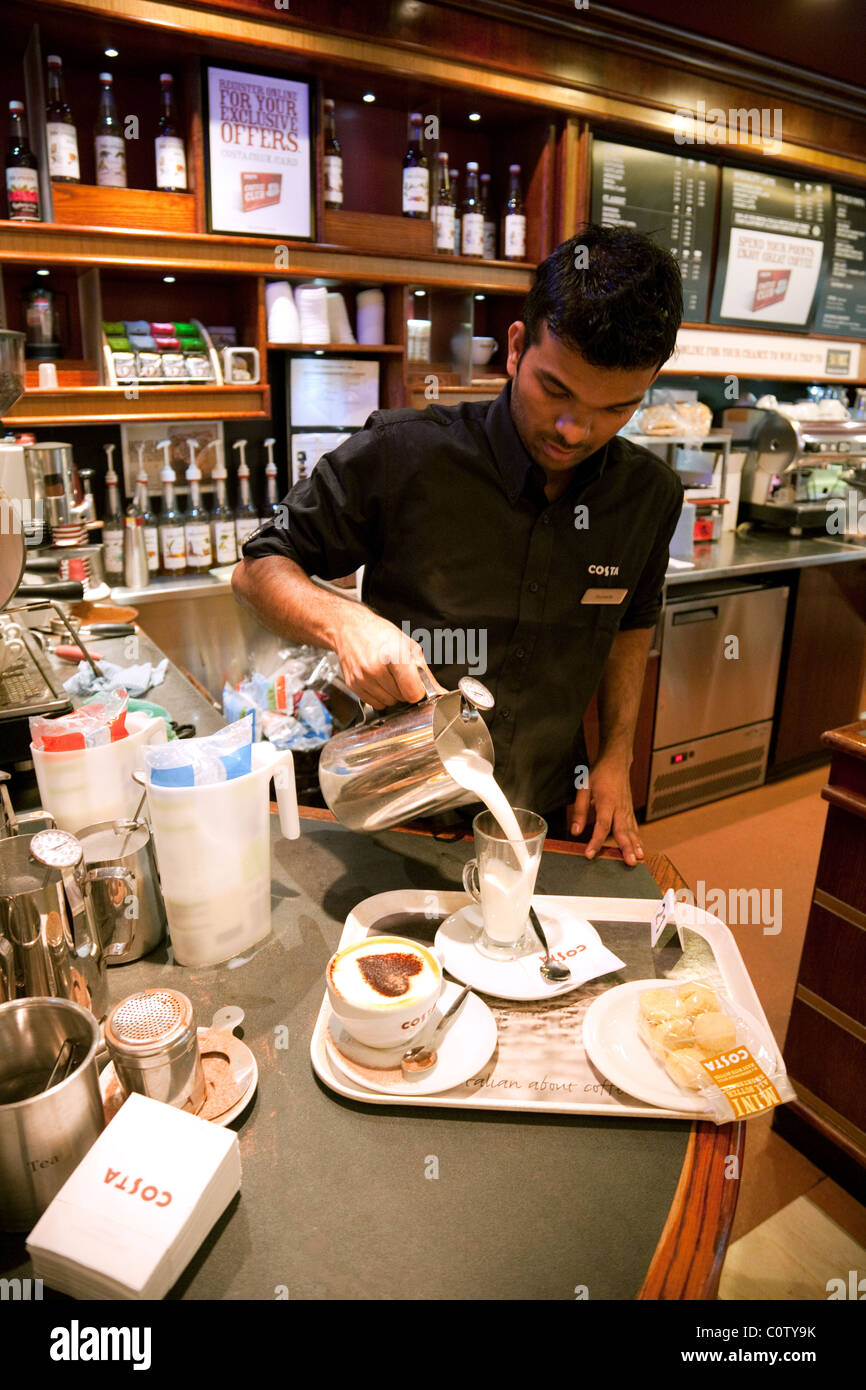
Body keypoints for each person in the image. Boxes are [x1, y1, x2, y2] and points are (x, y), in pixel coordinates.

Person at [233, 225, 684, 863]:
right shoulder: (405, 453)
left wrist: (615, 756)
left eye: (615, 409)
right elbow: (257, 569)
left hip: (547, 814)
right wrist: (344, 621)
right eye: (555, 389)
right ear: (517, 347)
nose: (575, 429)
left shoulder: (649, 495)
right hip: (395, 805)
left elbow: (633, 622)